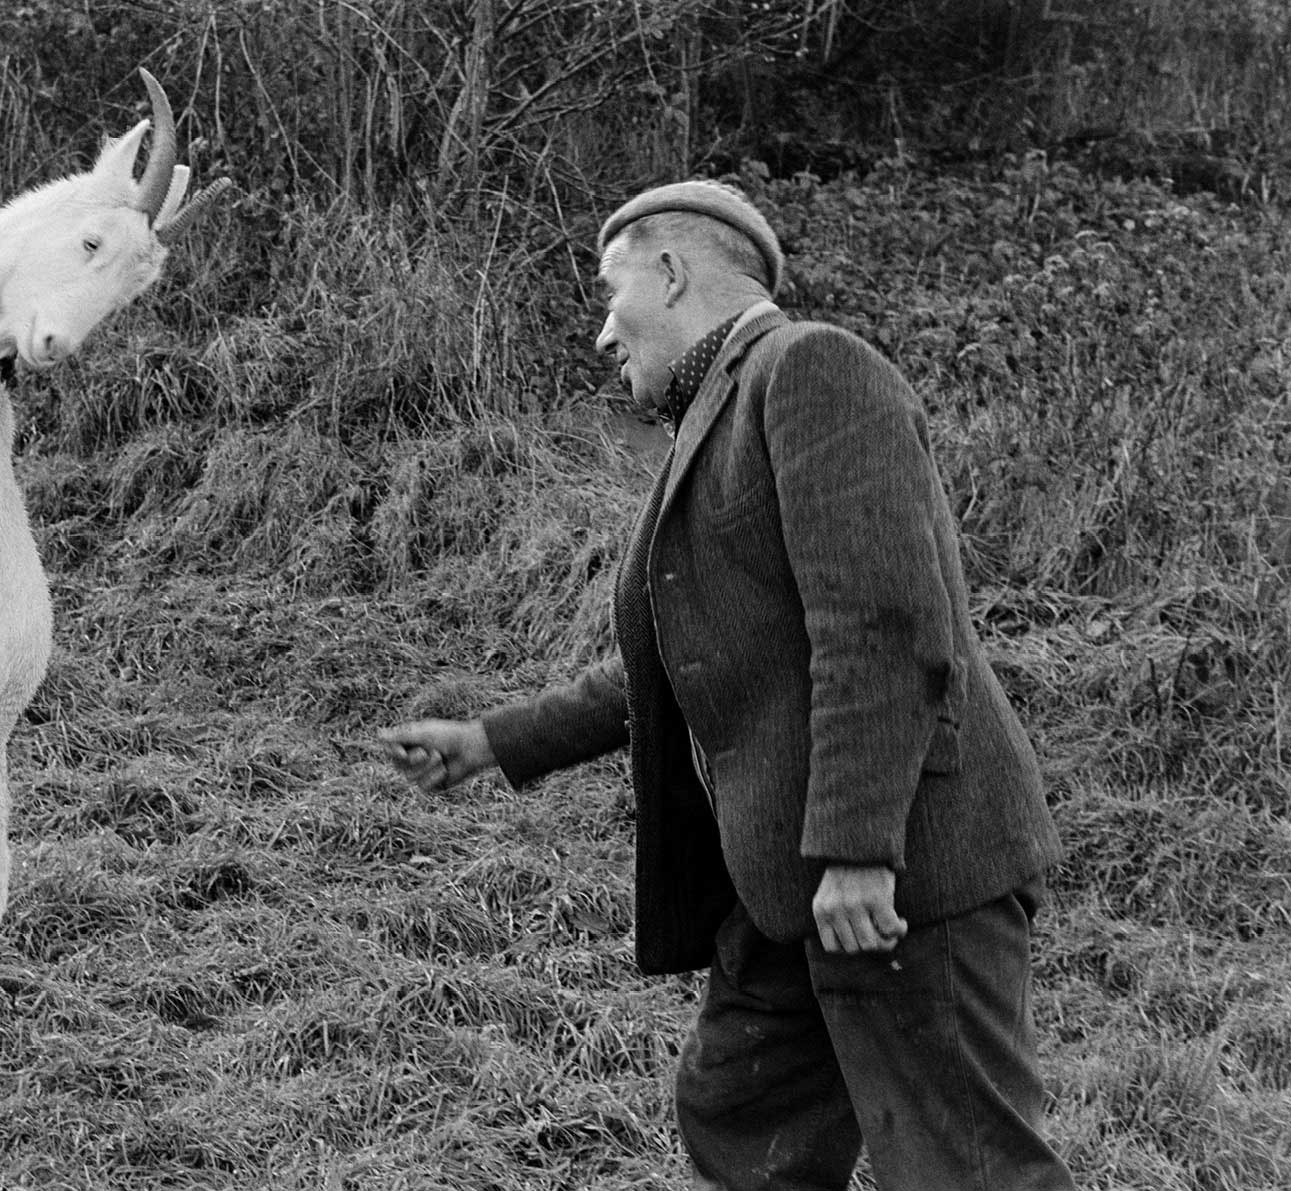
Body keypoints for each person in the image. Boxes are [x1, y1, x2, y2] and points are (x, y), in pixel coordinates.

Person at [380, 180, 1075, 1191]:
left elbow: (880, 626)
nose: (603, 335)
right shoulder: (717, 412)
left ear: (670, 273)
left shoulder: (810, 372)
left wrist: (855, 854)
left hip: (902, 876)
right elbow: (680, 657)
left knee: (965, 1165)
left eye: (611, 296)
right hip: (784, 881)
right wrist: (495, 740)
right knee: (741, 1115)